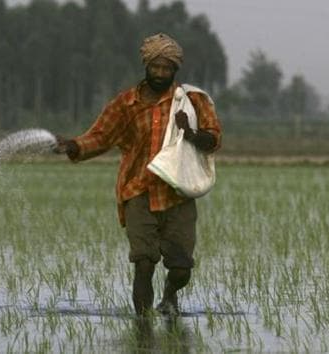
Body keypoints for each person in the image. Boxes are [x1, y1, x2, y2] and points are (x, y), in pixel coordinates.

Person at [54, 33, 222, 316]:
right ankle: (142, 326)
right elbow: (101, 136)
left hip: (177, 193)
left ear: (175, 71)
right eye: (155, 67)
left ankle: (170, 297)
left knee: (181, 267)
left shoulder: (192, 101)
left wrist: (190, 133)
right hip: (138, 191)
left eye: (166, 69)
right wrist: (73, 145)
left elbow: (214, 139)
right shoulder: (126, 104)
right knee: (144, 262)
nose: (160, 73)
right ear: (146, 67)